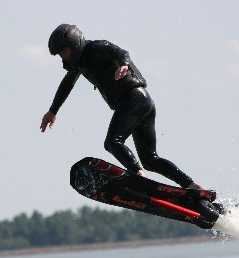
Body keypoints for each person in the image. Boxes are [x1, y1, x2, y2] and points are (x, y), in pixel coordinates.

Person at [40, 24, 204, 190]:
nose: (63, 57)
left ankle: (139, 176)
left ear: (74, 43)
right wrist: (52, 111)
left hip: (133, 99)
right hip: (143, 102)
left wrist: (124, 64)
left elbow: (122, 53)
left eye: (64, 51)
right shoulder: (80, 64)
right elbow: (66, 84)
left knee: (112, 142)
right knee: (150, 159)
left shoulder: (96, 48)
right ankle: (192, 185)